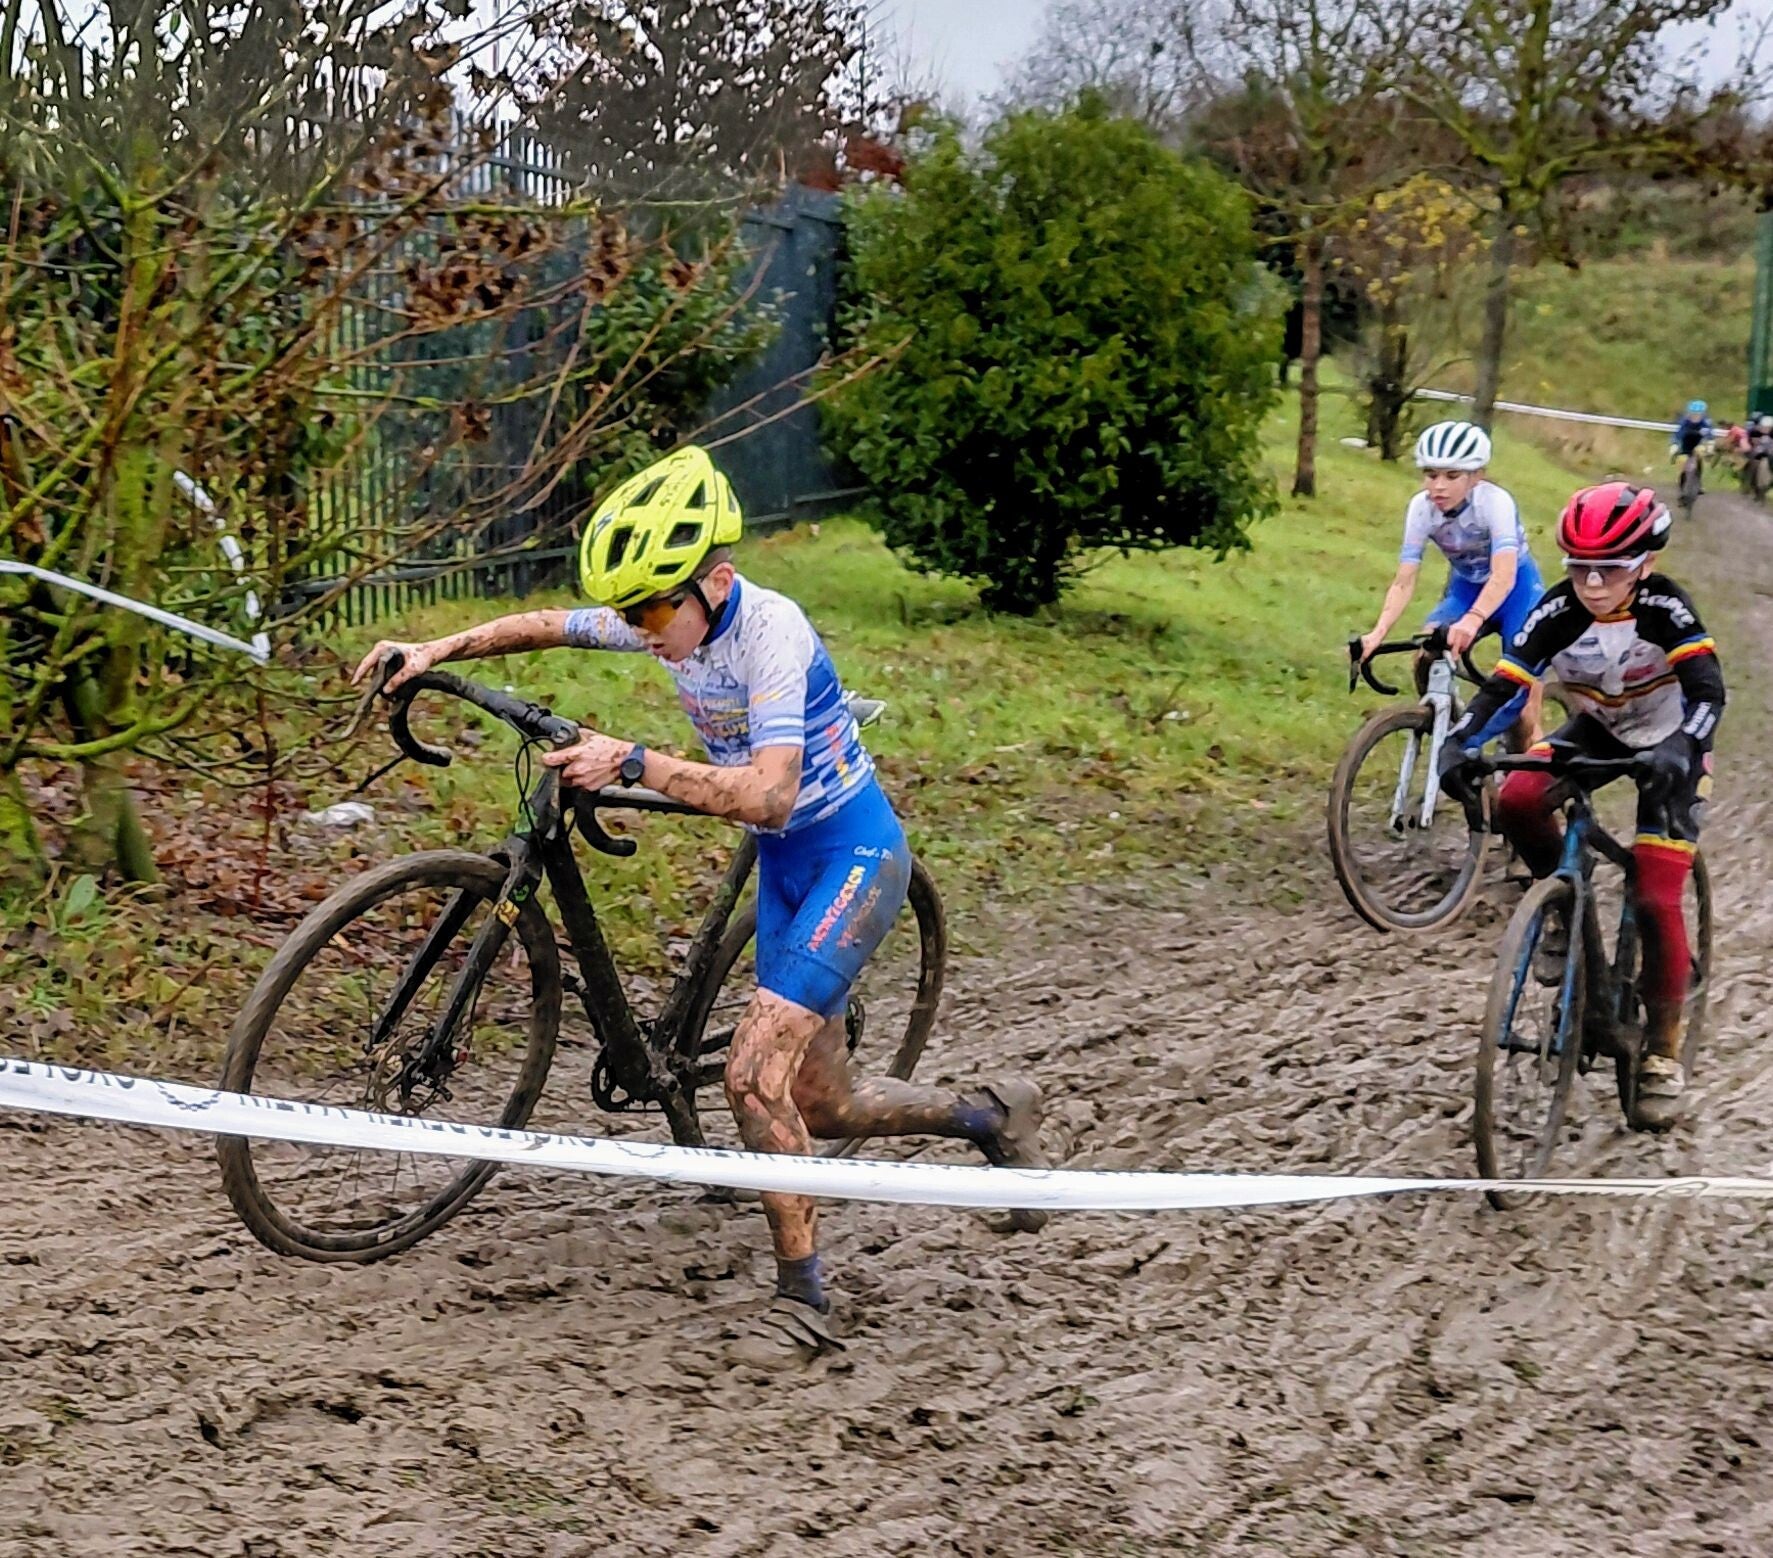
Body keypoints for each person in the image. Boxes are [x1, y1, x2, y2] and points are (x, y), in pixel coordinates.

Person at [352, 445, 1052, 1359]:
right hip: (787, 867)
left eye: (650, 610)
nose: (637, 629)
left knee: (752, 1078)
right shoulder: (667, 617)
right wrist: (434, 650)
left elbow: (770, 797)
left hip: (850, 855)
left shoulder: (771, 634)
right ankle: (989, 1114)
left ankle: (803, 1301)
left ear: (714, 583)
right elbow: (550, 623)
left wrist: (632, 760)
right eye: (628, 612)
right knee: (824, 1108)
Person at [1438, 482, 1724, 1128]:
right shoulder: (1558, 608)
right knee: (1517, 798)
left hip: (1673, 740)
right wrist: (1460, 741)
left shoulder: (1666, 608)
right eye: (1579, 568)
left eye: (1611, 569)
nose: (1592, 584)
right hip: (1597, 728)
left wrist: (1682, 747)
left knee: (1654, 895)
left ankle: (1662, 1049)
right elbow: (1508, 683)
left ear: (1645, 563)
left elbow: (1708, 693)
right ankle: (1564, 905)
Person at [1358, 420, 1544, 741]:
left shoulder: (1495, 503)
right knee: (1426, 651)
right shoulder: (1421, 509)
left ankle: (1533, 764)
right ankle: (1447, 719)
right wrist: (1377, 633)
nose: (1439, 487)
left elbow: (1505, 575)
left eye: (1452, 476)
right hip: (1466, 589)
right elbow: (1404, 581)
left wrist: (1474, 618)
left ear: (1477, 476)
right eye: (1431, 475)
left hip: (1517, 592)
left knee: (1523, 710)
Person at [1671, 399, 1715, 492]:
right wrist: (1674, 445)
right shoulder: (1685, 421)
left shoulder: (1706, 422)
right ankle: (1681, 481)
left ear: (1703, 414)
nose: (1695, 417)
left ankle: (1698, 482)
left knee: (1700, 453)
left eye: (1698, 415)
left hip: (1698, 443)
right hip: (1686, 444)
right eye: (1693, 414)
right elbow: (1678, 434)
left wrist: (1710, 447)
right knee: (1682, 461)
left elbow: (1710, 436)